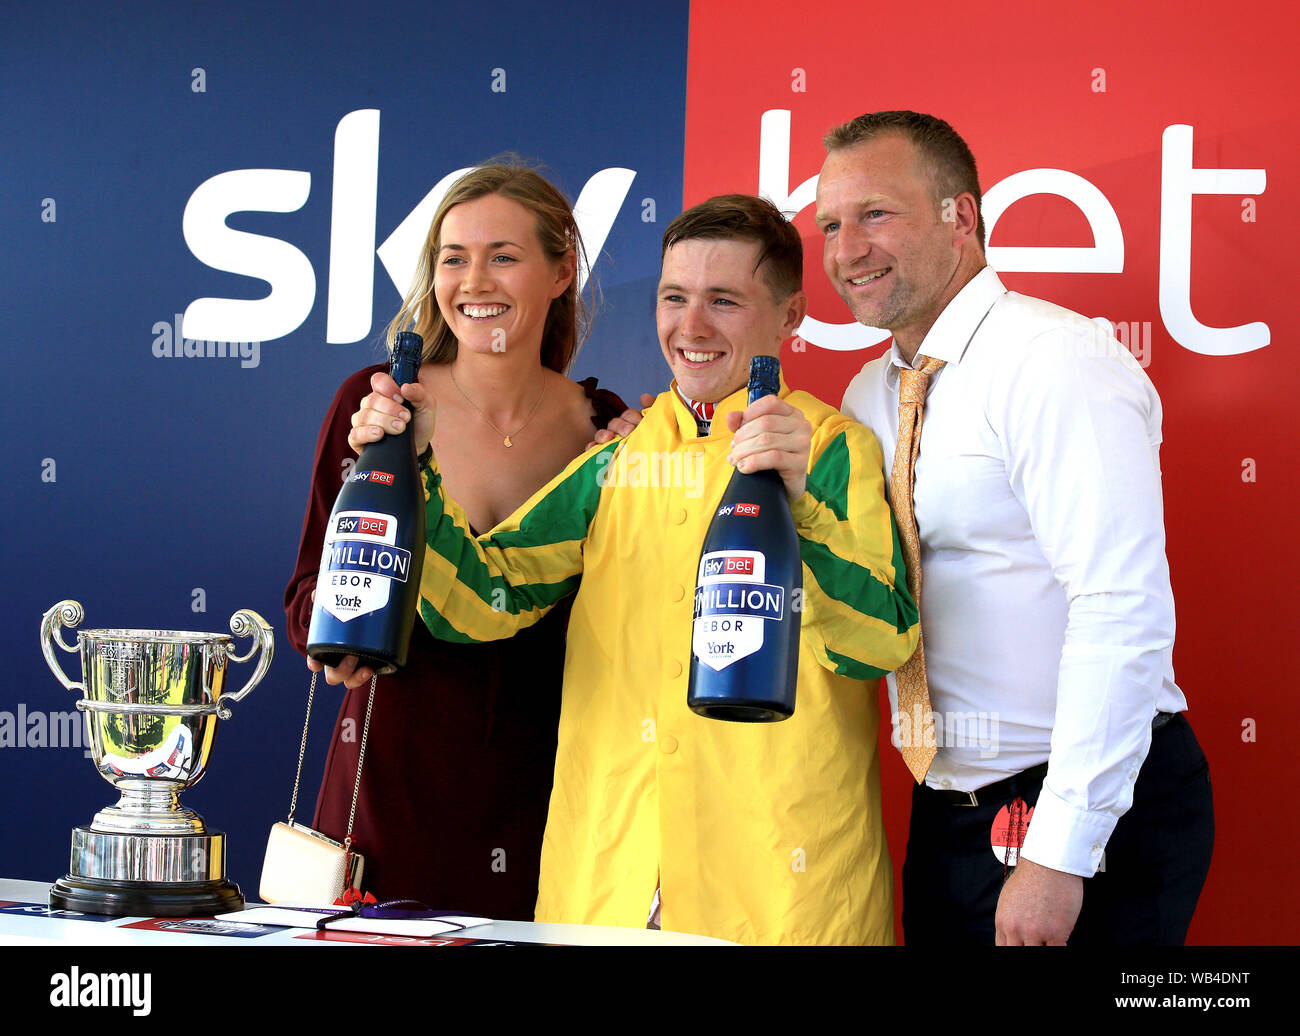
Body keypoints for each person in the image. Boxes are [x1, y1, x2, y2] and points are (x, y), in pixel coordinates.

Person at [343, 194, 919, 945]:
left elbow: (879, 643)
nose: (693, 327)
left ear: (791, 316)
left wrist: (800, 505)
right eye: (674, 298)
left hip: (780, 896)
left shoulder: (832, 447)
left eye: (725, 300)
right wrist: (416, 474)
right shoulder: (618, 454)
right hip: (606, 888)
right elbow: (483, 602)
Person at [816, 110, 1215, 945]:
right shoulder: (867, 396)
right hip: (952, 810)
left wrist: (1059, 854)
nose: (846, 249)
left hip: (1082, 809)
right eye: (830, 224)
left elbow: (1120, 606)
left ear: (961, 217)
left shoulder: (1055, 362)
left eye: (876, 214)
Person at [283, 163, 627, 919]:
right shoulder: (375, 403)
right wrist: (338, 633)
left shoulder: (609, 431)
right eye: (453, 257)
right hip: (384, 794)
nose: (474, 279)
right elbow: (309, 602)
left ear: (561, 269)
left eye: (503, 255)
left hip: (549, 800)